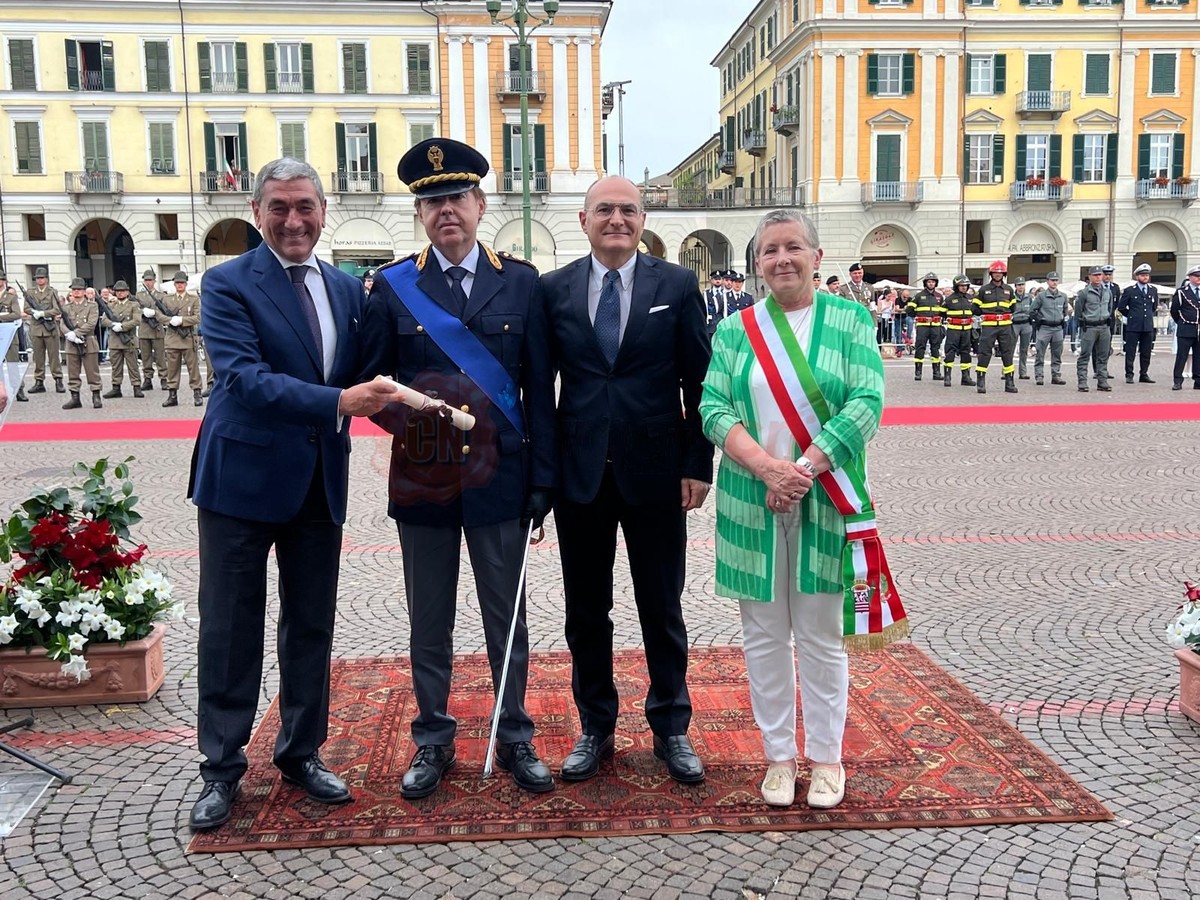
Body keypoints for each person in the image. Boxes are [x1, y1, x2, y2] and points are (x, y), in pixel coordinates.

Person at [186, 158, 395, 832]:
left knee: (310, 623)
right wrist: (338, 402)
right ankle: (222, 767)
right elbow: (242, 379)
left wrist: (437, 404)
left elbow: (372, 373)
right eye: (279, 207)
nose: (293, 220)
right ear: (257, 212)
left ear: (324, 211)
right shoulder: (227, 284)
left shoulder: (347, 290)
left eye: (305, 206)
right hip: (240, 482)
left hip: (318, 479)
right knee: (230, 627)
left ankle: (301, 751)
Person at [357, 138, 557, 800]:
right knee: (429, 617)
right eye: (433, 201)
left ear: (480, 204)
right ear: (419, 213)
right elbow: (373, 385)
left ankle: (515, 733)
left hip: (502, 477)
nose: (447, 210)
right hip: (424, 476)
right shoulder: (391, 288)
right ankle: (433, 738)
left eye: (457, 198)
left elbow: (539, 389)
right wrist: (422, 429)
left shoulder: (522, 283)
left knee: (508, 614)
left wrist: (542, 479)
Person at [699, 209, 903, 809]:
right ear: (757, 263)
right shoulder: (735, 330)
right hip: (751, 499)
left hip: (827, 497)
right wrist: (768, 469)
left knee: (819, 634)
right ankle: (779, 758)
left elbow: (866, 402)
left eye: (793, 247)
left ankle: (828, 760)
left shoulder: (850, 319)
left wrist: (802, 471)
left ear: (816, 256)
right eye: (770, 250)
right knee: (763, 636)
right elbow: (713, 408)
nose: (781, 259)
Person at [543, 176, 713, 785]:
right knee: (586, 611)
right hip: (580, 475)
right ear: (583, 220)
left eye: (628, 210)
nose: (617, 219)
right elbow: (539, 386)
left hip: (658, 474)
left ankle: (671, 726)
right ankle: (596, 726)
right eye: (605, 210)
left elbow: (700, 382)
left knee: (661, 606)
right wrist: (543, 475)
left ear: (643, 221)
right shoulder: (553, 289)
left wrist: (698, 464)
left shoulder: (678, 285)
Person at [973, 260, 1018, 394]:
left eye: (1000, 273)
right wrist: (987, 314)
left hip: (1005, 326)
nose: (998, 275)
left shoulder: (1009, 290)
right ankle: (981, 382)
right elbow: (974, 308)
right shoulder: (983, 289)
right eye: (995, 273)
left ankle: (1009, 383)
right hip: (989, 326)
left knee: (1007, 353)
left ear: (1004, 274)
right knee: (984, 353)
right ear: (991, 274)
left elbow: (1013, 307)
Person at [58, 277, 103, 410]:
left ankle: (96, 395)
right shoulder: (66, 308)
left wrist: (76, 333)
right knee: (73, 372)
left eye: (79, 289)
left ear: (84, 291)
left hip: (88, 341)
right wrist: (69, 334)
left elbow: (91, 323)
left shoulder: (92, 306)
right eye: (74, 289)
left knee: (92, 372)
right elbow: (62, 324)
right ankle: (75, 397)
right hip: (72, 343)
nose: (76, 292)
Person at [160, 272, 203, 408]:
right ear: (174, 284)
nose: (180, 285)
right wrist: (170, 320)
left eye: (182, 283)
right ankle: (172, 395)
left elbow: (197, 317)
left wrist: (182, 320)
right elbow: (159, 315)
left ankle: (197, 393)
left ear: (186, 284)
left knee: (193, 368)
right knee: (172, 369)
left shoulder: (193, 299)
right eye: (178, 283)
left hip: (188, 338)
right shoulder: (167, 299)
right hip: (172, 338)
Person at [23, 267, 64, 394]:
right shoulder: (30, 292)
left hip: (50, 328)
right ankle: (39, 381)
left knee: (54, 357)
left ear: (46, 279)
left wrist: (43, 313)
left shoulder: (52, 292)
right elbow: (26, 308)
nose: (39, 280)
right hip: (36, 328)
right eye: (37, 278)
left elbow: (57, 309)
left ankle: (58, 380)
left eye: (42, 278)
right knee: (38, 357)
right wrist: (34, 312)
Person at [100, 280, 143, 398]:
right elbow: (104, 320)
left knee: (133, 366)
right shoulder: (111, 305)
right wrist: (113, 325)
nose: (120, 293)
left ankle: (136, 387)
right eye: (118, 291)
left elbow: (137, 320)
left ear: (127, 292)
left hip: (129, 339)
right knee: (116, 366)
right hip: (115, 340)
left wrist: (123, 326)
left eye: (123, 291)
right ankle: (116, 388)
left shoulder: (134, 305)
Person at [1117, 264, 1158, 384]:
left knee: (1146, 352)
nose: (1145, 277)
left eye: (1147, 275)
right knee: (1130, 351)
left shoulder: (1153, 290)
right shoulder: (1130, 290)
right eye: (1142, 275)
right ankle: (1129, 374)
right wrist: (1132, 315)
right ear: (1137, 276)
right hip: (1133, 326)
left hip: (1147, 326)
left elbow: (1154, 306)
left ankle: (1144, 374)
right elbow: (1121, 307)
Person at [1076, 266, 1114, 392]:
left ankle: (1102, 381)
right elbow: (1078, 311)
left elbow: (1110, 308)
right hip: (1089, 327)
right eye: (1095, 275)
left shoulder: (1108, 292)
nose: (1098, 277)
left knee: (1103, 356)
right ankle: (1082, 382)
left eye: (1099, 275)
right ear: (1090, 277)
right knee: (1085, 355)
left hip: (1104, 326)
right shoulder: (1084, 293)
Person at [1030, 272, 1069, 386]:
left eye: (1056, 280)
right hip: (1045, 327)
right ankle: (1039, 375)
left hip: (1058, 327)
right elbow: (1032, 310)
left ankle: (1056, 375)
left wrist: (1063, 319)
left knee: (1057, 353)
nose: (1054, 282)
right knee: (1040, 353)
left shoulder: (1063, 296)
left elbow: (1065, 310)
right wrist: (1039, 319)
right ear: (1047, 281)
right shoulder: (1041, 296)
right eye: (1052, 280)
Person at [906, 274, 945, 380]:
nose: (931, 283)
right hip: (923, 326)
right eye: (929, 282)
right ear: (925, 283)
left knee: (935, 349)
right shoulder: (918, 296)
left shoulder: (939, 296)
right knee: (920, 348)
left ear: (936, 283)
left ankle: (936, 373)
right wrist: (919, 317)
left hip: (935, 326)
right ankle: (918, 372)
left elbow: (943, 311)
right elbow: (909, 310)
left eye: (933, 282)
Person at [941, 275, 977, 386]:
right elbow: (942, 312)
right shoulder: (950, 299)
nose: (964, 287)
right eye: (961, 286)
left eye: (965, 285)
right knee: (950, 352)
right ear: (956, 286)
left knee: (966, 353)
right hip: (954, 330)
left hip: (967, 330)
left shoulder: (970, 298)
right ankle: (947, 377)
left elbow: (975, 310)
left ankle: (966, 377)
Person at [1169, 264, 1200, 390]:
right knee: (1182, 356)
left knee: (1198, 356)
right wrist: (1181, 322)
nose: (1198, 278)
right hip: (1186, 328)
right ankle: (1178, 380)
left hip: (1198, 329)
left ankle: (1198, 380)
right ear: (1190, 277)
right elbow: (1174, 310)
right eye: (1196, 276)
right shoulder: (1182, 292)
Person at [137, 269, 168, 391]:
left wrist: (154, 313)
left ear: (154, 281)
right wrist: (142, 312)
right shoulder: (139, 295)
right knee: (145, 357)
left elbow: (164, 310)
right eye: (146, 280)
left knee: (160, 356)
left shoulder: (161, 295)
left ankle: (164, 378)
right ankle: (147, 379)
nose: (148, 283)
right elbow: (135, 309)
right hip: (144, 328)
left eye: (150, 280)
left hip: (157, 328)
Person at [0, 273, 27, 402]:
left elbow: (16, 314)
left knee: (12, 364)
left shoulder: (11, 297)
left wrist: (1, 317)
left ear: (4, 281)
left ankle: (18, 389)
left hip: (9, 334)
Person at [1011, 277, 1035, 380]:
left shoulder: (1029, 297)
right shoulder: (1011, 297)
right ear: (1015, 286)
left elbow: (1033, 309)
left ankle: (1023, 372)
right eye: (1019, 285)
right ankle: (1006, 371)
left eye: (1022, 285)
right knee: (1010, 348)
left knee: (1024, 349)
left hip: (1026, 323)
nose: (1021, 287)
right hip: (1014, 324)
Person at [705, 269, 726, 337]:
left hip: (722, 323)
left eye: (719, 279)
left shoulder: (725, 293)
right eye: (715, 279)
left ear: (722, 280)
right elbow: (705, 308)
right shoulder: (707, 293)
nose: (717, 281)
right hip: (710, 324)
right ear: (711, 280)